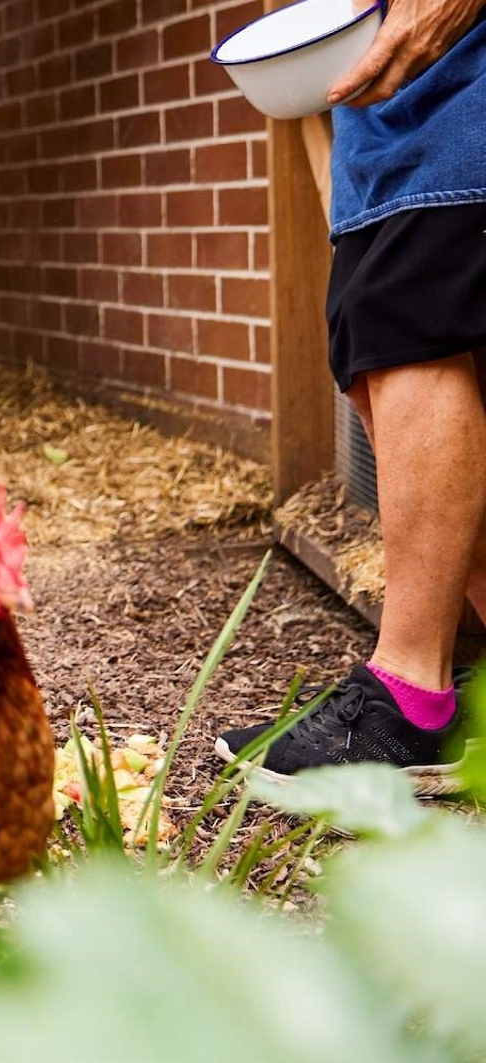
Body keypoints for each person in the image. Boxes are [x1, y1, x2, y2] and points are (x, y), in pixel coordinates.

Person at [217, 0, 486, 790]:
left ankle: (410, 694)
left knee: (415, 306)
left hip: (449, 46)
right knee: (386, 328)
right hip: (385, 73)